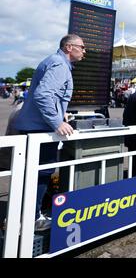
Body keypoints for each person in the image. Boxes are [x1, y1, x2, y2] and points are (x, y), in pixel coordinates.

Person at [14, 34, 85, 231]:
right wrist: (56, 122)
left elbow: (48, 95)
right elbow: (43, 95)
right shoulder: (59, 65)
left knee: (33, 174)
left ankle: (20, 217)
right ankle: (32, 219)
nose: (84, 51)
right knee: (41, 174)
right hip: (40, 129)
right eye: (82, 47)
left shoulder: (54, 62)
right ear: (69, 47)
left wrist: (61, 114)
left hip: (34, 126)